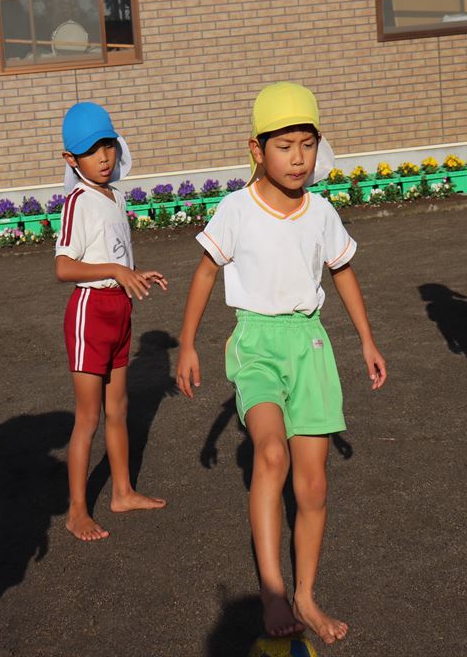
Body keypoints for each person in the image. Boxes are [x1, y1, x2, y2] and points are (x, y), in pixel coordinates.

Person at [175, 82, 386, 644]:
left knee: (313, 486)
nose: (298, 158)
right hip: (257, 345)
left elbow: (343, 272)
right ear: (257, 149)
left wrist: (366, 341)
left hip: (310, 346)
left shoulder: (322, 213)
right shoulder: (236, 209)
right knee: (271, 454)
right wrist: (188, 344)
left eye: (307, 145)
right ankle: (272, 591)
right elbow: (205, 272)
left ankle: (305, 596)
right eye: (285, 146)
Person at [54, 102, 168, 541]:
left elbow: (115, 255)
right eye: (90, 151)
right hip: (90, 314)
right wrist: (117, 272)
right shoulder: (77, 202)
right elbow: (64, 267)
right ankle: (76, 511)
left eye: (108, 146)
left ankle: (121, 492)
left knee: (118, 409)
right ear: (71, 159)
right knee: (88, 418)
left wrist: (133, 273)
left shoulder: (115, 196)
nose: (103, 157)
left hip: (120, 310)